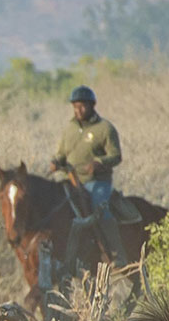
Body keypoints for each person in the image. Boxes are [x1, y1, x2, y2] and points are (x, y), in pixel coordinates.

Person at [50, 85, 128, 265]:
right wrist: (56, 162)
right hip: (72, 180)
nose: (78, 110)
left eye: (82, 106)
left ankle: (117, 253)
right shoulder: (70, 128)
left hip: (97, 182)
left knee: (100, 207)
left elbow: (116, 156)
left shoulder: (105, 128)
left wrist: (99, 163)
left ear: (92, 105)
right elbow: (62, 153)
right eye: (75, 106)